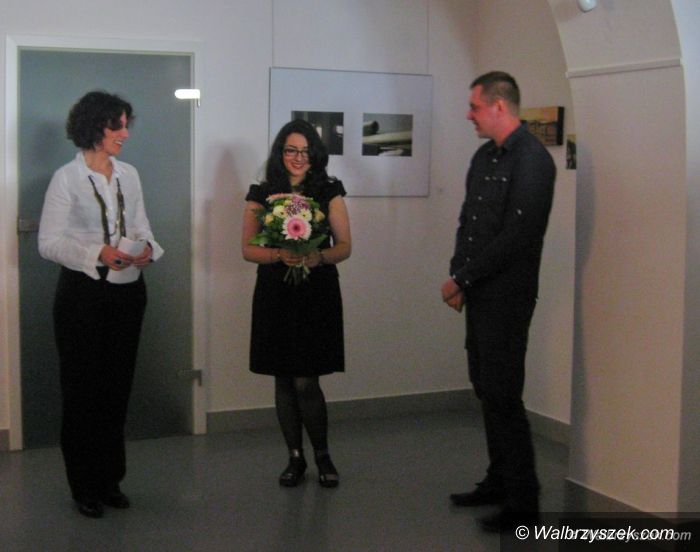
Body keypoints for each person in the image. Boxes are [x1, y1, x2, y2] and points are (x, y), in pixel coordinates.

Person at [38, 91, 164, 518]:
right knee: (82, 392)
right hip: (83, 296)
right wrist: (97, 253)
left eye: (127, 124)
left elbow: (142, 226)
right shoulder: (66, 179)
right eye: (117, 126)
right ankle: (84, 486)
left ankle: (110, 480)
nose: (125, 134)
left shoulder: (130, 175)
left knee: (116, 389)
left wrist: (147, 249)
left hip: (128, 292)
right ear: (94, 127)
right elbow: (48, 243)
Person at [441, 72, 555, 532]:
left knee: (504, 394)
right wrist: (460, 276)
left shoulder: (533, 160)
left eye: (474, 106)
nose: (468, 115)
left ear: (499, 106)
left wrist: (462, 278)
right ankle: (498, 480)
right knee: (485, 388)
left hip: (508, 297)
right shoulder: (484, 157)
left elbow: (517, 236)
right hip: (480, 293)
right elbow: (469, 222)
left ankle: (524, 501)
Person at [242, 119, 351, 488]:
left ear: (315, 155)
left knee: (306, 380)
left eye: (305, 151)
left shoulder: (328, 190)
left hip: (316, 292)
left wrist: (317, 257)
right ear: (280, 153)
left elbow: (345, 246)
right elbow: (247, 249)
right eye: (291, 150)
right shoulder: (261, 193)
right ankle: (295, 457)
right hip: (275, 292)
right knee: (284, 379)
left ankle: (322, 454)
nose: (298, 157)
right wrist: (278, 254)